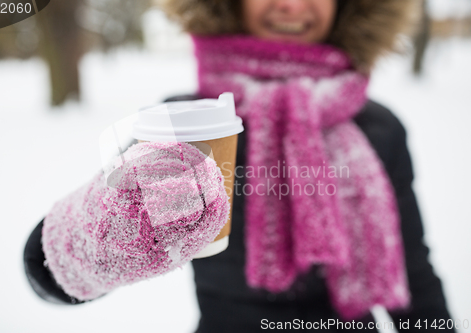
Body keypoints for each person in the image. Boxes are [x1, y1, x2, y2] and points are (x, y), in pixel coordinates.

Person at [23, 0, 455, 332]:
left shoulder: (379, 128)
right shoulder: (185, 125)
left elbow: (414, 275)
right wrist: (98, 236)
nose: (291, 4)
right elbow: (50, 275)